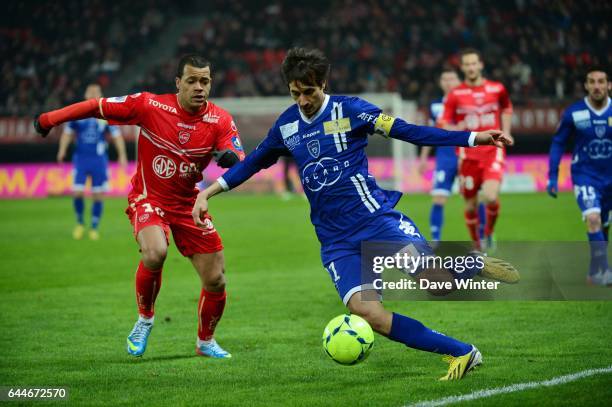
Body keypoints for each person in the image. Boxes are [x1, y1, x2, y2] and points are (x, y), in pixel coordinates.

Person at [192, 48, 519, 380]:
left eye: (309, 91)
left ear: (323, 83)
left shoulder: (352, 110)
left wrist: (474, 137)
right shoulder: (287, 125)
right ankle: (462, 352)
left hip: (375, 222)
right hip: (336, 241)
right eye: (295, 93)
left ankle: (471, 263)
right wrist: (208, 191)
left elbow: (408, 131)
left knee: (433, 281)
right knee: (370, 315)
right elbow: (253, 162)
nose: (303, 100)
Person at [34, 54, 245, 358]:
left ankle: (205, 342)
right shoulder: (150, 105)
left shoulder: (220, 120)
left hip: (188, 204)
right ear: (178, 83)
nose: (199, 87)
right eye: (192, 80)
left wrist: (230, 158)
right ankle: (145, 319)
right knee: (156, 251)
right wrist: (49, 119)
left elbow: (239, 156)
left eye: (205, 81)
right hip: (149, 198)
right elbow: (97, 106)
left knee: (216, 279)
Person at [439, 49, 514, 251]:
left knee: (490, 196)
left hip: (493, 151)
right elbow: (443, 122)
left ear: (481, 65)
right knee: (470, 206)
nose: (471, 67)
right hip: (467, 155)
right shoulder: (455, 95)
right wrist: (454, 130)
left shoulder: (497, 89)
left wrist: (506, 131)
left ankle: (488, 232)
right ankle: (476, 244)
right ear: (462, 68)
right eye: (467, 64)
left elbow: (507, 107)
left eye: (474, 63)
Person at [547, 67, 611, 285]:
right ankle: (604, 271)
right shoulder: (574, 112)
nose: (597, 86)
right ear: (586, 86)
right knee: (593, 219)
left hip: (610, 178)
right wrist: (552, 175)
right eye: (592, 82)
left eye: (601, 81)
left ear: (609, 85)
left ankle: (595, 272)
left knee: (603, 225)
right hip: (585, 176)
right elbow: (558, 142)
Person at [418, 69, 486, 242]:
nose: (448, 82)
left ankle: (484, 236)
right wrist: (424, 158)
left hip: (467, 155)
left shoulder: (470, 101)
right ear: (440, 83)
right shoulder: (435, 106)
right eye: (444, 79)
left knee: (474, 199)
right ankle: (436, 240)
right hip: (445, 156)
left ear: (458, 81)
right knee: (438, 198)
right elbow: (430, 133)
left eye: (452, 78)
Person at [56, 83, 128, 240]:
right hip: (81, 158)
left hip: (99, 161)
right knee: (78, 192)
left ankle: (94, 227)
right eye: (91, 92)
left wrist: (122, 154)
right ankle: (80, 223)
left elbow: (116, 136)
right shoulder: (77, 114)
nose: (94, 94)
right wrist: (62, 150)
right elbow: (67, 134)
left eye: (97, 92)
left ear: (101, 95)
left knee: (98, 195)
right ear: (86, 95)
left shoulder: (106, 115)